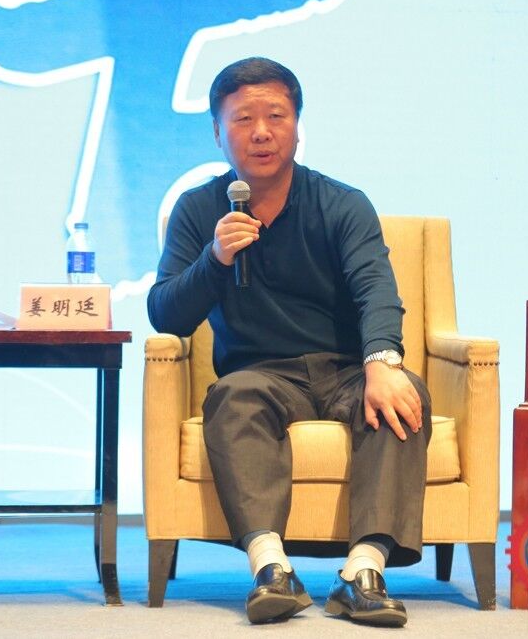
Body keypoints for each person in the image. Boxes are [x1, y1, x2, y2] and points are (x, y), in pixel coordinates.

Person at [147, 56, 432, 627]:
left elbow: (376, 288)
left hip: (346, 368)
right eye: (243, 119)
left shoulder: (342, 203)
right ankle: (271, 569)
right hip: (260, 374)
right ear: (217, 132)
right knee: (231, 399)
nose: (261, 132)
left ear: (298, 126)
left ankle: (363, 574)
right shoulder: (199, 209)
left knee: (402, 395)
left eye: (276, 116)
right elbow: (165, 314)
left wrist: (382, 362)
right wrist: (215, 258)